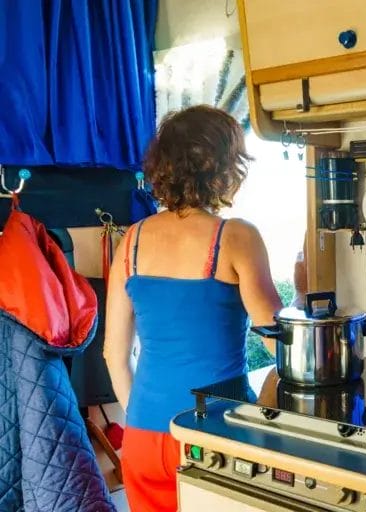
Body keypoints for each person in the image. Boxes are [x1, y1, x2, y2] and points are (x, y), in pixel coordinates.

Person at [103, 105, 285, 512]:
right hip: (218, 434)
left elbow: (114, 357)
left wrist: (143, 419)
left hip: (144, 435)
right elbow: (282, 347)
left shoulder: (130, 241)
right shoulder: (236, 236)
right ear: (223, 167)